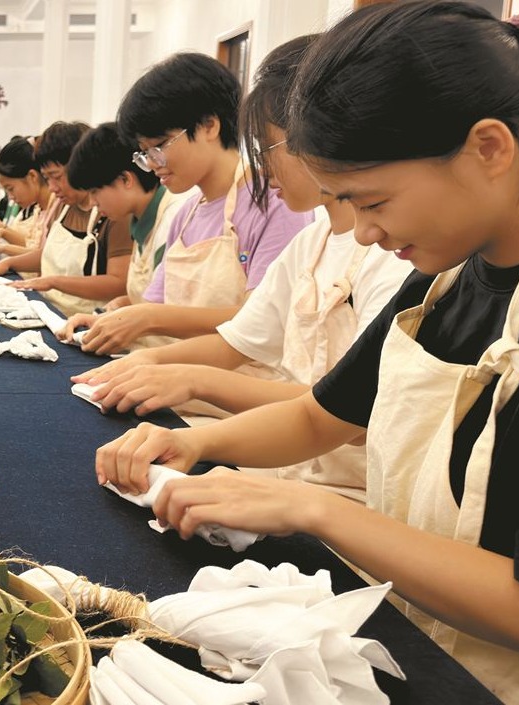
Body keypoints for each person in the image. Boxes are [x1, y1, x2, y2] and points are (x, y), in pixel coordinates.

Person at [96, 4, 519, 696]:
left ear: (489, 149)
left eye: (372, 201)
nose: (361, 233)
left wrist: (313, 509)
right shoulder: (443, 284)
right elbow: (322, 415)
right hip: (421, 642)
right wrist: (195, 447)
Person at [75, 39, 411, 500]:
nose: (262, 162)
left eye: (269, 145)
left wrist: (184, 375)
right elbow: (240, 340)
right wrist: (150, 363)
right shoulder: (306, 242)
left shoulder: (396, 259)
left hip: (346, 485)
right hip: (290, 465)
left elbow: (344, 417)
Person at [64, 52, 311, 354]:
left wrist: (147, 318)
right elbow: (155, 303)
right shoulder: (186, 215)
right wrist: (109, 320)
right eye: (144, 154)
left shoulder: (273, 202)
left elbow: (260, 318)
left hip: (238, 392)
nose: (153, 164)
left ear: (209, 126)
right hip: (171, 381)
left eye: (158, 147)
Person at [0, 122, 132, 315]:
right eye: (47, 179)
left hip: (86, 321)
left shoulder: (114, 213)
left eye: (57, 177)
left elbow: (119, 283)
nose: (53, 187)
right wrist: (8, 263)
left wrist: (54, 282)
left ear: (80, 166)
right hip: (51, 311)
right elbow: (50, 256)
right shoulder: (64, 206)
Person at [64, 121, 195, 310]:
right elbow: (155, 296)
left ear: (126, 179)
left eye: (94, 191)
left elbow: (178, 307)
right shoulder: (139, 219)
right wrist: (125, 302)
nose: (92, 202)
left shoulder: (174, 217)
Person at [0, 138, 54, 259]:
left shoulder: (56, 207)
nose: (10, 197)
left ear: (32, 176)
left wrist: (3, 245)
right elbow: (33, 248)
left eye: (10, 188)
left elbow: (45, 259)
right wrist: (2, 232)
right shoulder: (38, 209)